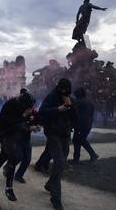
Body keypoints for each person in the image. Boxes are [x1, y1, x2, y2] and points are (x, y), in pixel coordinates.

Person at [0, 92, 38, 201]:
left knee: (5, 154)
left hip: (12, 133)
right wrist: (24, 117)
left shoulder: (23, 106)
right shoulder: (10, 105)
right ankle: (9, 188)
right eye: (28, 106)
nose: (29, 108)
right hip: (3, 132)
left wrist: (32, 125)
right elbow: (12, 123)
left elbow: (26, 121)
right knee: (15, 156)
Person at [37, 78, 78, 210]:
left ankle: (50, 184)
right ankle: (56, 199)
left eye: (67, 90)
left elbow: (75, 118)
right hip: (53, 133)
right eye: (62, 90)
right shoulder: (51, 96)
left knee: (62, 162)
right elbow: (41, 113)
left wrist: (70, 106)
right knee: (59, 162)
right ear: (58, 87)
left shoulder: (70, 98)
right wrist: (57, 109)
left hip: (65, 134)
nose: (64, 92)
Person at [70, 87, 98, 164]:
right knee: (80, 140)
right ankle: (78, 159)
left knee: (77, 140)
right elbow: (91, 115)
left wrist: (72, 125)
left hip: (80, 125)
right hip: (87, 125)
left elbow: (75, 114)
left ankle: (91, 155)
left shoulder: (78, 102)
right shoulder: (90, 102)